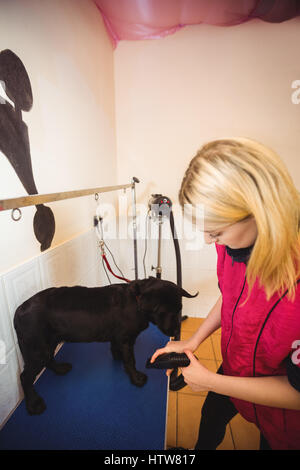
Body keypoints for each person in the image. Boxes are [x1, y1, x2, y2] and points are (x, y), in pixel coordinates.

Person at [151, 138, 300, 450]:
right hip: (237, 363)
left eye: (215, 232)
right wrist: (194, 339)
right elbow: (231, 297)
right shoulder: (232, 245)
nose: (208, 241)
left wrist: (210, 382)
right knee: (211, 417)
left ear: (260, 212)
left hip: (286, 421)